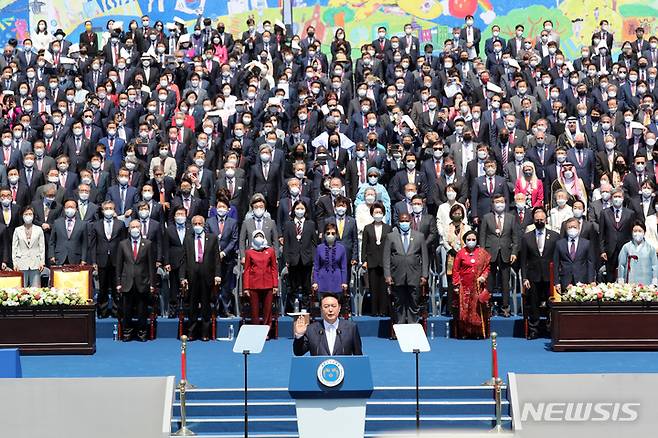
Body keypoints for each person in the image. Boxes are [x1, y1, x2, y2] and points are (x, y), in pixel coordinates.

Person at [519, 207, 559, 339]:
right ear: (533, 221)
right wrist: (524, 278)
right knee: (534, 304)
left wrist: (557, 279)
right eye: (537, 220)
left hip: (550, 276)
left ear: (546, 220)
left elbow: (557, 259)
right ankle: (534, 329)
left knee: (551, 303)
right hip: (533, 276)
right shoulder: (526, 238)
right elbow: (523, 260)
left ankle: (550, 328)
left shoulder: (554, 236)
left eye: (542, 219)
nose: (540, 221)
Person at [180, 215, 221, 341]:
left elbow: (216, 259)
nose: (197, 226)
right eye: (195, 223)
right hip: (192, 276)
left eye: (200, 223)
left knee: (205, 305)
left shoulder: (212, 238)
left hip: (207, 276)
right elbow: (184, 259)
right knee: (192, 305)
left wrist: (217, 275)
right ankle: (191, 332)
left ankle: (205, 332)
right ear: (192, 225)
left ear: (204, 225)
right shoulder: (187, 239)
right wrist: (183, 277)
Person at [383, 212, 429, 325]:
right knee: (399, 301)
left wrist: (424, 275)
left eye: (406, 221)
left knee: (414, 301)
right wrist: (387, 275)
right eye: (402, 221)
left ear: (411, 221)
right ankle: (400, 325)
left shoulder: (419, 236)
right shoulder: (391, 236)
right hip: (397, 274)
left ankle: (413, 325)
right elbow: (386, 257)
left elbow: (424, 257)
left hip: (414, 274)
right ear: (398, 223)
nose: (404, 223)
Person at [116, 220, 157, 342]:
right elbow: (119, 265)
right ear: (129, 229)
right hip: (127, 282)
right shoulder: (123, 244)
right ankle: (127, 333)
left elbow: (151, 266)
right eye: (132, 227)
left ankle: (142, 333)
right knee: (126, 310)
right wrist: (118, 283)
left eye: (137, 227)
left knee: (142, 310)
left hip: (143, 282)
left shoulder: (148, 244)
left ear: (141, 229)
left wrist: (152, 284)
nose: (135, 229)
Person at [478, 194, 519, 317]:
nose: (499, 204)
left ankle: (505, 306)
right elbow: (482, 236)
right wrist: (483, 253)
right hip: (490, 253)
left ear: (505, 203)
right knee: (489, 281)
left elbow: (515, 237)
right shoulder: (487, 217)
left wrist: (514, 252)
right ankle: (488, 306)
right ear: (493, 204)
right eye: (497, 202)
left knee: (505, 281)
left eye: (501, 201)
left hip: (506, 252)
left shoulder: (511, 218)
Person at [293, 293, 363, 356]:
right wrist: (299, 336)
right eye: (326, 306)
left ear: (339, 308)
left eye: (333, 306)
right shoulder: (311, 329)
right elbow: (299, 353)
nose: (330, 310)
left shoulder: (351, 328)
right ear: (321, 309)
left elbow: (358, 356)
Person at [452, 230, 491, 339]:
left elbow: (487, 266)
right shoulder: (460, 253)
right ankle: (465, 332)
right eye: (469, 239)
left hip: (478, 286)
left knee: (477, 309)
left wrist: (483, 276)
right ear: (465, 241)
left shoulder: (482, 253)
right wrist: (456, 284)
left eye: (473, 239)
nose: (471, 241)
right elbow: (455, 270)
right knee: (465, 309)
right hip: (464, 287)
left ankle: (477, 332)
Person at [361, 202, 392, 316]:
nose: (378, 214)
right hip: (372, 260)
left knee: (383, 287)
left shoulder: (388, 228)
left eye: (380, 212)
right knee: (373, 287)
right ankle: (374, 311)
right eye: (376, 212)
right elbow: (364, 245)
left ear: (383, 213)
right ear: (372, 214)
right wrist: (364, 260)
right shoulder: (367, 228)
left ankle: (383, 310)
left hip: (384, 261)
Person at [242, 230, 278, 328]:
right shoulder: (249, 252)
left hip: (268, 284)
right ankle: (256, 329)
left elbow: (274, 268)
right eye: (256, 236)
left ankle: (266, 329)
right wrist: (246, 287)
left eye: (260, 235)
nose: (259, 237)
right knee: (254, 310)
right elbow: (247, 270)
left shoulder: (270, 251)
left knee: (268, 309)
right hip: (254, 285)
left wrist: (275, 285)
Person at [554, 218, 596, 292]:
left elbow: (590, 263)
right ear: (566, 229)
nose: (572, 229)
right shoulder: (559, 244)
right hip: (565, 280)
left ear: (579, 228)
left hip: (582, 280)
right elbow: (556, 264)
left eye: (575, 227)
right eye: (569, 227)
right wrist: (557, 282)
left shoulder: (587, 243)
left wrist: (591, 281)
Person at [443, 204, 471, 317]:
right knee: (451, 282)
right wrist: (451, 249)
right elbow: (444, 241)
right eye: (455, 213)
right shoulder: (447, 227)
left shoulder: (467, 227)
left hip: (464, 257)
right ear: (451, 214)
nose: (457, 215)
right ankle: (451, 308)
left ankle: (464, 307)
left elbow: (470, 239)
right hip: (452, 256)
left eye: (459, 213)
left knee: (464, 281)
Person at [313, 223, 348, 302]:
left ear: (336, 235)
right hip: (322, 280)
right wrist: (315, 281)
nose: (330, 235)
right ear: (324, 234)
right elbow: (316, 267)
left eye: (333, 233)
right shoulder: (319, 248)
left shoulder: (341, 248)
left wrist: (344, 282)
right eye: (328, 233)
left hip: (337, 280)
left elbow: (344, 267)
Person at [11, 206, 45, 287]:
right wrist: (15, 263)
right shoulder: (17, 230)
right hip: (21, 263)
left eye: (30, 214)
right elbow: (14, 247)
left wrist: (42, 262)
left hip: (35, 262)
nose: (28, 216)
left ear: (33, 216)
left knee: (36, 289)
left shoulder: (39, 229)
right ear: (22, 216)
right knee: (22, 288)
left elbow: (42, 247)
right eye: (26, 214)